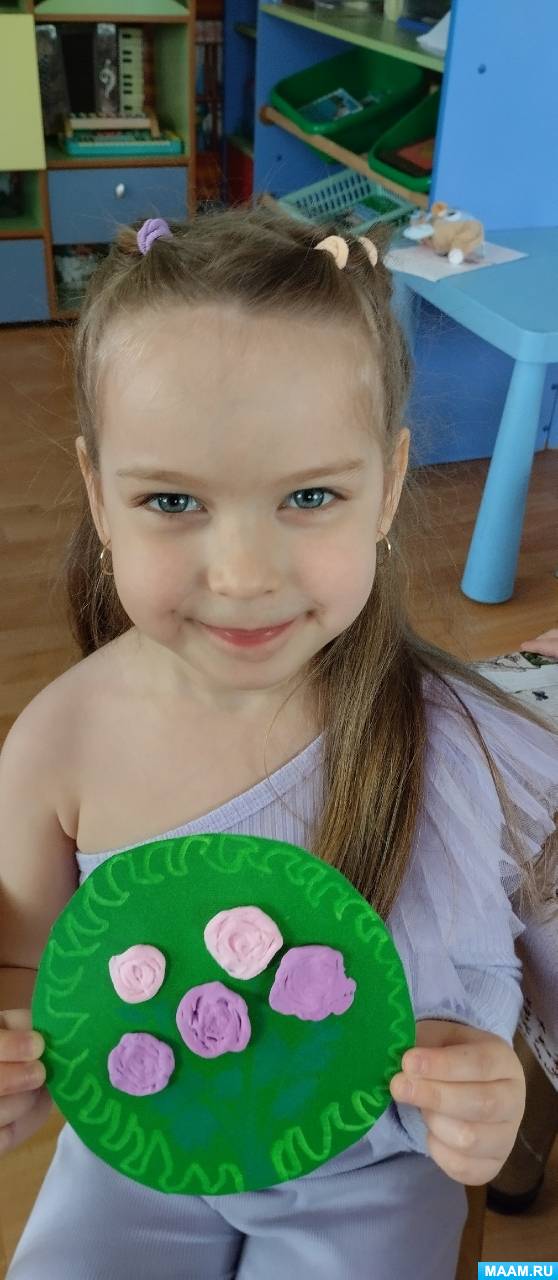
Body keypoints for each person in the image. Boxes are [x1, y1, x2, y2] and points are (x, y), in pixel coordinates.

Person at [0, 208, 557, 1280]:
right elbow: (25, 966)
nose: (246, 575)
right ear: (99, 496)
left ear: (389, 485)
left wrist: (491, 1098)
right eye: (172, 499)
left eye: (310, 496)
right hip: (141, 1154)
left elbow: (516, 1010)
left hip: (373, 1168)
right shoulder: (56, 744)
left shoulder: (461, 747)